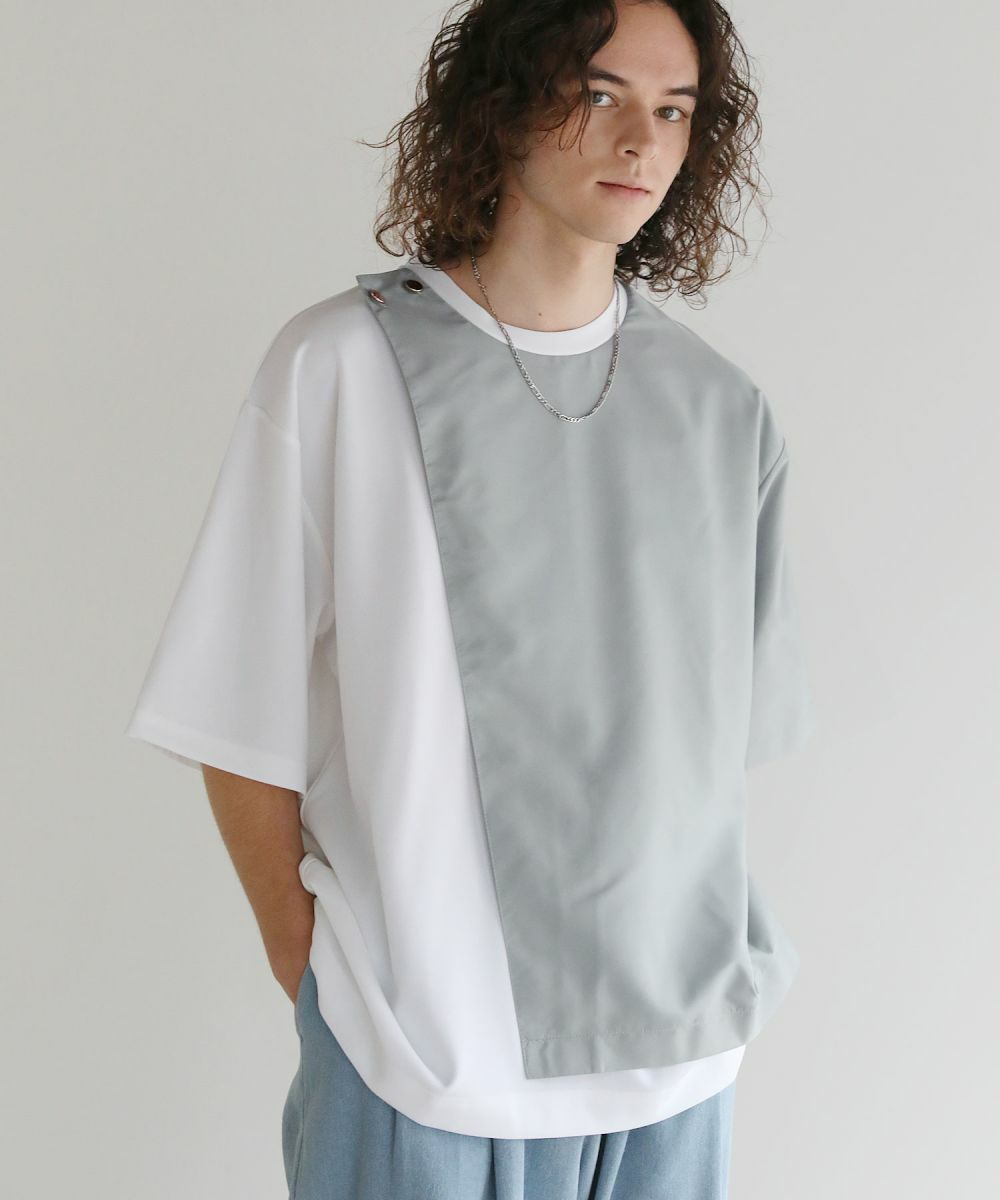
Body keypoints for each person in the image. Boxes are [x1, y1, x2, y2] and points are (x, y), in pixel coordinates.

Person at [124, 0, 816, 1195]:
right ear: (501, 103)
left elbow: (718, 756)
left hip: (673, 1064)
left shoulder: (720, 411)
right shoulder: (340, 367)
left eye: (673, 110)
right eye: (597, 94)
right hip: (416, 1054)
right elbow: (232, 710)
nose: (639, 141)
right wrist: (313, 969)